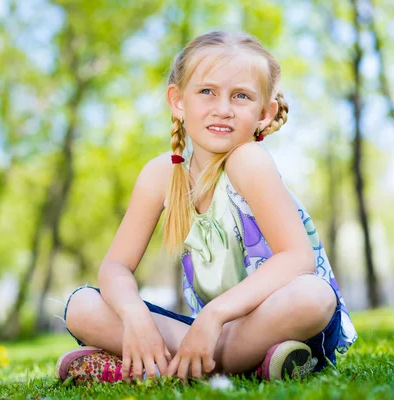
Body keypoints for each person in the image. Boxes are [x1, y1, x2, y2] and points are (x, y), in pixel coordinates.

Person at [55, 31, 357, 384]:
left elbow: (297, 259)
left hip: (277, 321)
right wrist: (134, 315)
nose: (223, 109)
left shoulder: (248, 161)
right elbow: (115, 267)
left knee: (313, 295)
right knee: (82, 306)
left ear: (265, 112)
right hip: (209, 333)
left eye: (241, 96)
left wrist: (214, 316)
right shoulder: (162, 175)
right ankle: (241, 366)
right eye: (207, 92)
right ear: (178, 101)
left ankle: (154, 369)